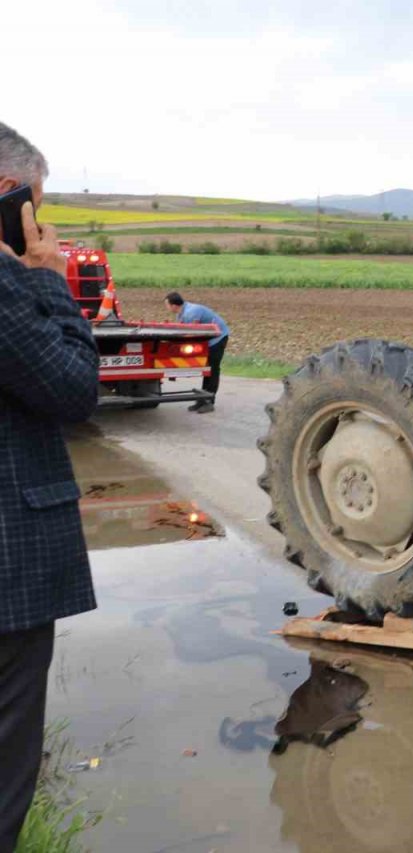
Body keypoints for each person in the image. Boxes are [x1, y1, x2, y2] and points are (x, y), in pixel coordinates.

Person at [0, 123, 100, 853]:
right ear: (10, 198)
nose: (45, 219)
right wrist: (47, 280)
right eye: (38, 201)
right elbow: (73, 387)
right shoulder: (7, 284)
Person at [164, 292, 229, 413]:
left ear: (173, 305)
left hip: (218, 338)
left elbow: (193, 333)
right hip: (208, 339)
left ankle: (209, 402)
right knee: (206, 371)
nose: (166, 308)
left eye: (166, 305)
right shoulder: (181, 313)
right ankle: (202, 400)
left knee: (212, 370)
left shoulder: (191, 312)